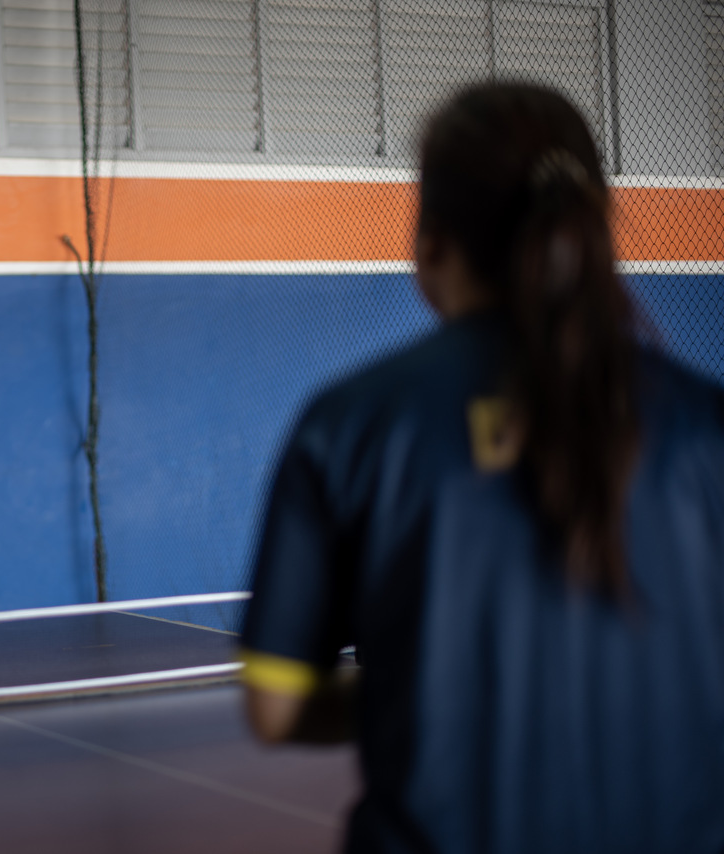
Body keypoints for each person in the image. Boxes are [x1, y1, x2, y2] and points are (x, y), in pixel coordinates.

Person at [239, 82, 724, 853]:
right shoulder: (706, 426)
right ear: (592, 228)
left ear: (429, 242)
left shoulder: (350, 425)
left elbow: (275, 705)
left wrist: (435, 694)